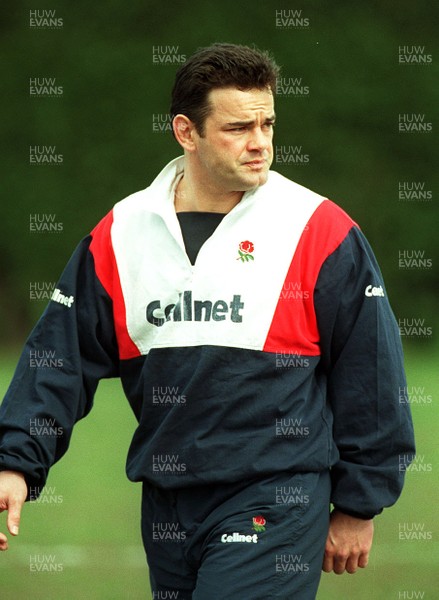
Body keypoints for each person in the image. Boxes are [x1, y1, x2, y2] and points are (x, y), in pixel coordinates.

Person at [0, 43, 415, 599]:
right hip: (167, 501)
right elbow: (60, 357)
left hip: (277, 495)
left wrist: (361, 502)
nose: (260, 142)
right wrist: (16, 464)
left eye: (268, 123)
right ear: (185, 132)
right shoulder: (122, 233)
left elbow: (372, 372)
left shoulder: (319, 228)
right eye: (239, 127)